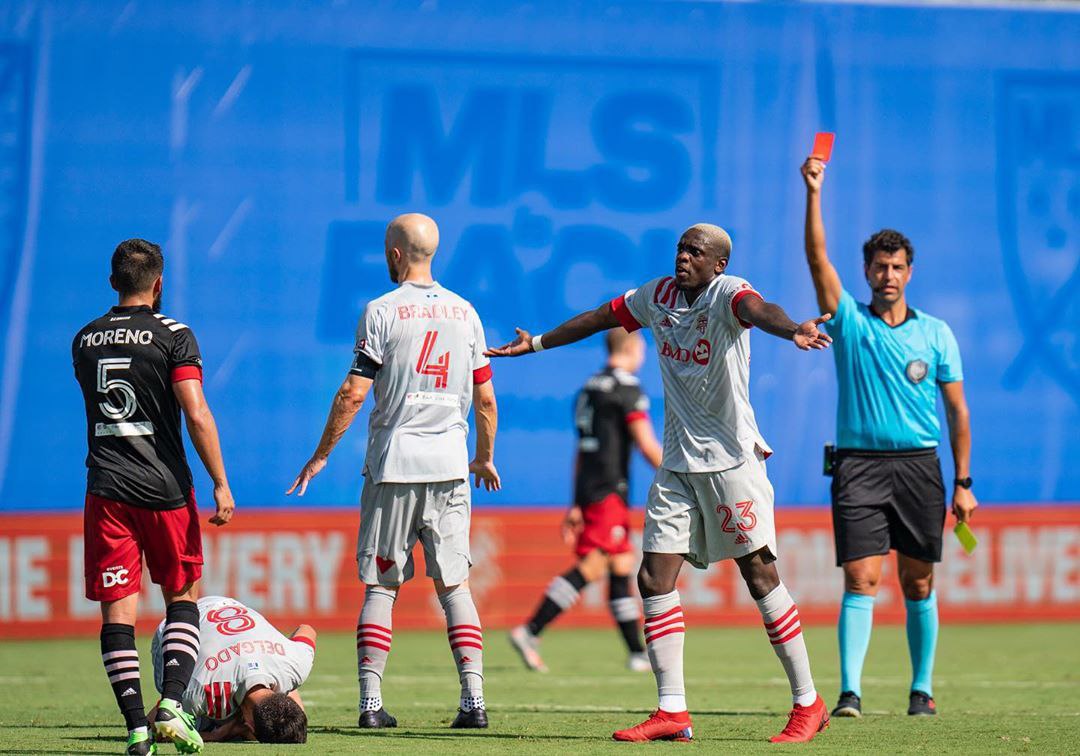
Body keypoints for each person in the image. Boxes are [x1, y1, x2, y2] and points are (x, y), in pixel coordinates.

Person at [487, 223, 832, 743]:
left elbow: (763, 311)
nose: (684, 256)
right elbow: (601, 317)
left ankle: (808, 702)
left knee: (759, 576)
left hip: (731, 460)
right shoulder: (656, 296)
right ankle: (672, 711)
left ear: (718, 263)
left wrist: (794, 331)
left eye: (696, 251)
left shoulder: (729, 293)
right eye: (681, 248)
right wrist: (536, 343)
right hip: (676, 464)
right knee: (653, 579)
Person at [287, 213, 500, 730]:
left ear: (397, 254)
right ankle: (473, 703)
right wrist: (484, 456)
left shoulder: (381, 312)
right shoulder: (466, 312)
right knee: (455, 588)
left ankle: (371, 705)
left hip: (394, 466)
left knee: (383, 588)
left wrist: (321, 455)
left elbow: (353, 392)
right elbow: (486, 400)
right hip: (450, 468)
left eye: (387, 247)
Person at [800, 157, 976, 718]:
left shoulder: (936, 333)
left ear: (910, 271)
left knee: (917, 581)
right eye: (880, 266)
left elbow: (958, 412)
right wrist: (814, 192)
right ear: (868, 271)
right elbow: (816, 258)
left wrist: (964, 482)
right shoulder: (848, 321)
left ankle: (921, 689)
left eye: (897, 266)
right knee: (861, 576)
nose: (889, 275)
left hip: (921, 468)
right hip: (858, 467)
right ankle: (850, 692)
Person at [72, 238, 235, 756]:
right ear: (158, 283)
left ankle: (136, 730)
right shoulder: (174, 335)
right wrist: (220, 481)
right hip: (164, 488)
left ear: (112, 280)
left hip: (106, 489)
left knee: (117, 615)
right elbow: (195, 411)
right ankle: (169, 705)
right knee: (182, 597)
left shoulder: (84, 340)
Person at [509, 329, 662, 673]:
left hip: (593, 489)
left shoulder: (588, 390)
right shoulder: (627, 388)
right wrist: (681, 474)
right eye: (642, 348)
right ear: (633, 348)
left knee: (621, 566)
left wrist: (575, 502)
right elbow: (647, 445)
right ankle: (530, 630)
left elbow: (582, 450)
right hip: (609, 490)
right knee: (595, 564)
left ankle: (638, 654)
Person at [149, 596, 315, 744]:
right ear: (249, 725)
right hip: (178, 624)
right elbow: (154, 723)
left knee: (289, 695)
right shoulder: (201, 692)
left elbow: (307, 629)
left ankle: (276, 689)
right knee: (202, 722)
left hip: (226, 604)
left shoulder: (297, 663)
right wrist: (216, 736)